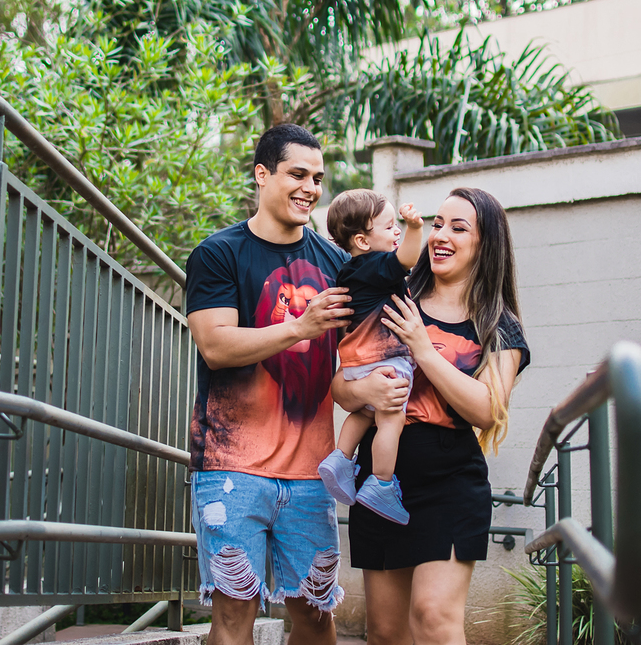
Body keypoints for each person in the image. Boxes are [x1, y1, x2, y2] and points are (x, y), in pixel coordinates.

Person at [185, 123, 360, 645]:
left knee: (314, 613)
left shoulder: (337, 264)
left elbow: (349, 367)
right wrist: (300, 327)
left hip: (311, 474)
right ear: (262, 175)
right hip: (230, 469)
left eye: (318, 177)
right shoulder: (218, 254)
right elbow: (215, 345)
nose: (310, 187)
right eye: (297, 174)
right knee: (234, 615)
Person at [332, 187, 531, 645]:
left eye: (458, 228)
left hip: (450, 482)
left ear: (486, 245)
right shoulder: (392, 291)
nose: (440, 235)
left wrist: (424, 348)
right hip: (382, 481)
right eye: (437, 223)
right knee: (385, 633)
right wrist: (367, 390)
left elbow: (487, 409)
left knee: (434, 617)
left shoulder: (498, 324)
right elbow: (341, 388)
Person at [318, 189, 423, 524]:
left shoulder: (350, 271)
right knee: (390, 419)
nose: (396, 232)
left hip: (355, 365)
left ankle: (341, 458)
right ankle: (381, 482)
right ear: (362, 241)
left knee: (364, 414)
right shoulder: (378, 266)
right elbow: (407, 258)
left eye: (397, 226)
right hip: (385, 358)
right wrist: (415, 227)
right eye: (390, 226)